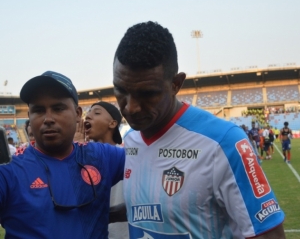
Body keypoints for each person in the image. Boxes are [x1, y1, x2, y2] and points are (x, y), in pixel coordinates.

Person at [113, 21, 285, 238]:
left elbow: (270, 233)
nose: (130, 107)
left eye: (147, 94)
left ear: (176, 84)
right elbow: (148, 208)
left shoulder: (223, 142)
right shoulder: (131, 141)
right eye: (120, 90)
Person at [0, 71, 125, 238]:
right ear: (29, 117)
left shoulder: (103, 156)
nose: (48, 118)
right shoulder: (10, 170)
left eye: (58, 108)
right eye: (39, 110)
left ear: (78, 114)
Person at [84, 101, 129, 239]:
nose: (88, 116)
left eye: (96, 113)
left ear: (112, 123)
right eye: (88, 112)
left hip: (120, 234)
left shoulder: (125, 156)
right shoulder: (79, 155)